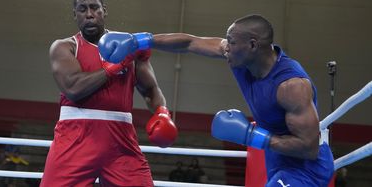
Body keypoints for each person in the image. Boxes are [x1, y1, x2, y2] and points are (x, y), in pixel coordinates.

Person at [98, 14, 335, 186]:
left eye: (231, 42)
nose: (226, 47)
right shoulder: (241, 57)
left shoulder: (291, 86)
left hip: (306, 169)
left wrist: (252, 136)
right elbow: (190, 42)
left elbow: (309, 149)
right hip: (278, 160)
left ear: (252, 45)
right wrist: (140, 41)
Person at [42, 0, 178, 187]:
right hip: (75, 137)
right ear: (75, 15)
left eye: (94, 8)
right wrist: (117, 65)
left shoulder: (130, 47)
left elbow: (151, 90)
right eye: (82, 9)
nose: (89, 14)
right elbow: (74, 88)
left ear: (104, 11)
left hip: (120, 139)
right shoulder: (65, 47)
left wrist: (162, 113)